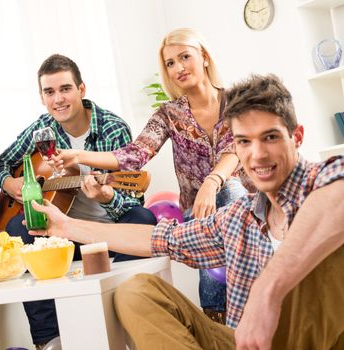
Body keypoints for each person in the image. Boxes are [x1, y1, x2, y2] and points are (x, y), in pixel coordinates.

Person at [29, 74, 344, 349]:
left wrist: (267, 292)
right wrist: (67, 227)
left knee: (320, 250)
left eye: (270, 137)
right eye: (244, 142)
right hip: (243, 344)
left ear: (297, 137)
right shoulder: (239, 218)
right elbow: (162, 238)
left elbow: (336, 197)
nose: (257, 154)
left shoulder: (327, 179)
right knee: (136, 291)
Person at [51, 28, 250, 323]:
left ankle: (220, 313)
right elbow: (134, 154)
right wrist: (78, 156)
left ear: (204, 57)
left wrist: (212, 181)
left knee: (230, 193)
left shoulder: (238, 100)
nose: (178, 68)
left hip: (244, 205)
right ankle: (220, 318)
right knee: (213, 220)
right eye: (170, 63)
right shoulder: (169, 114)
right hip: (199, 213)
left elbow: (234, 147)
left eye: (185, 57)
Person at [0, 54, 157, 348]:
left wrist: (107, 196)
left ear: (81, 89)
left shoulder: (112, 127)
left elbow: (134, 198)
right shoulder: (43, 129)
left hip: (107, 230)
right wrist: (11, 183)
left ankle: (129, 321)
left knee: (144, 220)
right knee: (19, 227)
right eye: (49, 92)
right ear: (42, 97)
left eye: (65, 89)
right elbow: (0, 163)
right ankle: (49, 340)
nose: (58, 99)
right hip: (64, 233)